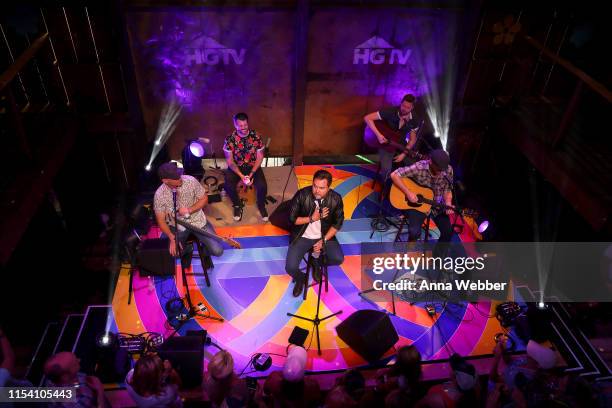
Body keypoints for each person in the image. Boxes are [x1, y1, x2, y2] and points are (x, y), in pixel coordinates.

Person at [286, 169, 345, 297]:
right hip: (303, 236)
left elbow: (337, 224)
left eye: (322, 188)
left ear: (329, 187)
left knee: (338, 258)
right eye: (314, 186)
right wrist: (312, 218)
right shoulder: (302, 195)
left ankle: (315, 262)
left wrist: (324, 240)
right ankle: (301, 278)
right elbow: (292, 219)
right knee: (290, 268)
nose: (317, 190)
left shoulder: (335, 199)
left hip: (324, 235)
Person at [154, 161, 223, 269]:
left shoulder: (190, 181)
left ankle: (205, 253)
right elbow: (161, 221)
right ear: (165, 180)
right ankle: (188, 249)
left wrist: (189, 210)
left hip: (198, 221)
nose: (180, 178)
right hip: (178, 226)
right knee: (174, 254)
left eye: (179, 174)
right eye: (176, 177)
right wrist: (171, 237)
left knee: (217, 251)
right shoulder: (159, 195)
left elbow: (204, 198)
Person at [390, 149, 454, 243]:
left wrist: (448, 202)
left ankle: (437, 257)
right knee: (414, 232)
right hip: (419, 205)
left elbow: (447, 189)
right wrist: (408, 193)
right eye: (439, 169)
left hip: (436, 204)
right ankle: (410, 250)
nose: (441, 172)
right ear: (431, 161)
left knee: (448, 233)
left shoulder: (448, 170)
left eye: (443, 169)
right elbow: (394, 175)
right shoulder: (419, 167)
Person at [223, 112, 269, 222]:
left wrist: (251, 174)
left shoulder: (256, 136)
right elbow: (230, 162)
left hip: (253, 166)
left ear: (248, 123)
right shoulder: (230, 139)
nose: (243, 128)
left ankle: (261, 205)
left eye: (245, 125)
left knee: (262, 186)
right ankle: (237, 205)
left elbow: (260, 157)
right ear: (235, 125)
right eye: (240, 126)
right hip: (237, 167)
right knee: (228, 185)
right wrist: (242, 176)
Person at [364, 94, 421, 181]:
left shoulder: (415, 120)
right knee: (386, 170)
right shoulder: (390, 111)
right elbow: (367, 118)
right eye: (403, 105)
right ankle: (386, 188)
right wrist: (379, 135)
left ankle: (405, 188)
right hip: (386, 143)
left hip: (400, 144)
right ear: (401, 103)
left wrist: (404, 154)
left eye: (407, 107)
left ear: (412, 108)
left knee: (413, 166)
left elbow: (412, 140)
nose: (404, 109)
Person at [44, 351, 110, 408]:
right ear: (65, 376)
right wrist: (100, 392)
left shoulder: (54, 380)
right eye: (75, 363)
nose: (79, 360)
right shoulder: (76, 401)